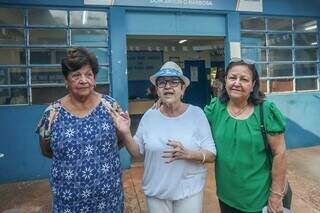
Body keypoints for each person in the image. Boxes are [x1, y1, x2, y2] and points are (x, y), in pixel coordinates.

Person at [112, 61, 216, 213]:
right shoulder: (149, 116)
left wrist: (188, 154)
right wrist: (126, 132)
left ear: (183, 89)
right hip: (156, 192)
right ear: (158, 90)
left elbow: (212, 154)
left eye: (174, 82)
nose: (167, 86)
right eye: (162, 83)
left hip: (189, 191)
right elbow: (136, 152)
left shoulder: (196, 114)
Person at [36, 47, 124, 212]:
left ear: (94, 78)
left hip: (108, 200)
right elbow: (46, 150)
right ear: (66, 80)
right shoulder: (52, 113)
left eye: (88, 74)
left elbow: (121, 140)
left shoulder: (111, 106)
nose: (83, 80)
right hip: (68, 202)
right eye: (76, 75)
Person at [204, 58, 288, 213]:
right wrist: (167, 104)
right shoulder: (216, 108)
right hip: (226, 196)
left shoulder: (266, 111)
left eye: (244, 79)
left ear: (253, 85)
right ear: (226, 80)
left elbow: (279, 153)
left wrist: (276, 196)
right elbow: (192, 122)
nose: (237, 83)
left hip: (258, 198)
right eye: (232, 77)